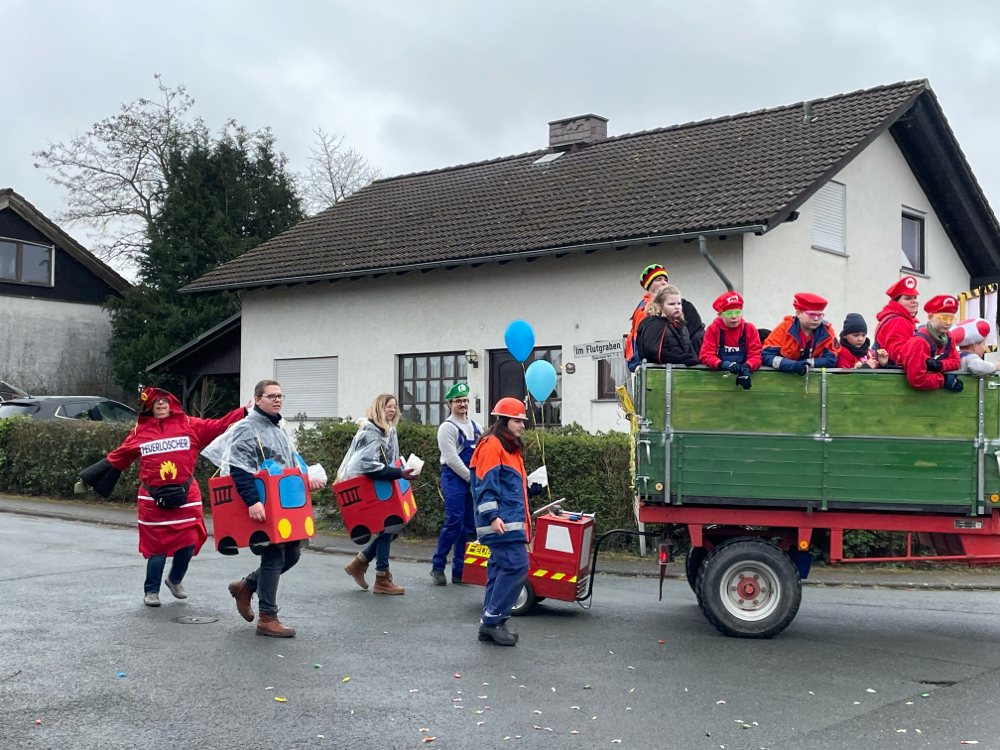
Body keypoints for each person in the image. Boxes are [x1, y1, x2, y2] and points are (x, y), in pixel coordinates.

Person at [77, 387, 245, 607]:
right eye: (157, 403)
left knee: (190, 541)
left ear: (172, 403)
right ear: (150, 408)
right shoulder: (140, 431)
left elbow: (220, 424)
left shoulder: (190, 425)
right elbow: (119, 456)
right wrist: (88, 479)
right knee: (157, 548)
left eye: (165, 402)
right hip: (151, 499)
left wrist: (245, 411)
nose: (162, 406)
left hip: (187, 496)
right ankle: (151, 591)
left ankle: (175, 580)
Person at [223, 380, 324, 637]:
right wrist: (252, 501)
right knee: (274, 556)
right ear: (257, 399)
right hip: (263, 504)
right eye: (271, 396)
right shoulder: (247, 428)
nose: (277, 400)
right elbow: (239, 468)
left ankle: (246, 586)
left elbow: (287, 464)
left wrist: (304, 479)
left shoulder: (277, 426)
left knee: (292, 555)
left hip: (285, 506)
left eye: (280, 396)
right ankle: (268, 617)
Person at [470, 398, 543, 647]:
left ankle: (491, 623)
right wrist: (493, 516)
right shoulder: (493, 446)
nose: (522, 425)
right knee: (516, 567)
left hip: (506, 522)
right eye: (517, 420)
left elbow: (507, 487)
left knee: (500, 570)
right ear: (503, 421)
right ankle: (492, 622)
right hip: (500, 523)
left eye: (522, 420)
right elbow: (484, 485)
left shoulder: (507, 447)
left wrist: (530, 488)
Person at [341, 394, 418, 595]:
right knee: (389, 526)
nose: (392, 410)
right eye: (388, 406)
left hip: (381, 484)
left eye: (395, 406)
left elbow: (388, 460)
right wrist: (398, 473)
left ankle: (361, 562)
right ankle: (381, 576)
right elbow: (368, 466)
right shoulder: (371, 431)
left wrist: (400, 470)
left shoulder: (387, 430)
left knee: (393, 526)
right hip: (370, 485)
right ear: (378, 408)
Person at [430, 382, 482, 586]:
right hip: (453, 478)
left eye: (465, 400)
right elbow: (452, 458)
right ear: (449, 404)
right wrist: (471, 479)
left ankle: (460, 571)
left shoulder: (477, 427)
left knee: (468, 526)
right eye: (458, 401)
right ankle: (437, 566)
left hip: (472, 480)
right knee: (454, 521)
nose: (462, 404)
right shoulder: (447, 428)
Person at [625, 264, 704, 371]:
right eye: (658, 279)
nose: (664, 282)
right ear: (649, 285)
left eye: (665, 279)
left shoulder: (685, 307)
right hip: (654, 369)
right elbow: (642, 345)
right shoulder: (642, 312)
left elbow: (694, 336)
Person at [761, 292, 839, 374]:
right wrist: (793, 365)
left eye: (820, 315)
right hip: (781, 377)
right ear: (798, 313)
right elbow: (766, 356)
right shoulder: (784, 328)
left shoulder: (827, 330)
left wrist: (805, 363)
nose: (816, 319)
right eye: (812, 314)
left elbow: (831, 359)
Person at [698, 290, 761, 389]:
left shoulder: (749, 329)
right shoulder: (713, 329)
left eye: (737, 312)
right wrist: (724, 364)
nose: (734, 316)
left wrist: (746, 367)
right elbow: (705, 354)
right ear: (719, 314)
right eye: (729, 313)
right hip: (716, 383)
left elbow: (756, 355)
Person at [901, 295, 962, 391]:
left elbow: (956, 361)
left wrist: (939, 365)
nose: (948, 323)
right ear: (930, 317)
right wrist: (943, 380)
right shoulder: (919, 342)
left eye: (951, 318)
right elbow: (917, 379)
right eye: (944, 318)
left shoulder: (948, 337)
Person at [635, 284, 702, 366]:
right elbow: (652, 352)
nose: (677, 307)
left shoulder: (681, 326)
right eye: (671, 304)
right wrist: (680, 359)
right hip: (660, 374)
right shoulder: (654, 323)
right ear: (660, 305)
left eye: (679, 303)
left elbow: (689, 351)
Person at [874, 276, 920, 368]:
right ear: (897, 302)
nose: (914, 301)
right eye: (908, 298)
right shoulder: (898, 321)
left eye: (915, 297)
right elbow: (900, 355)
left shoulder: (898, 319)